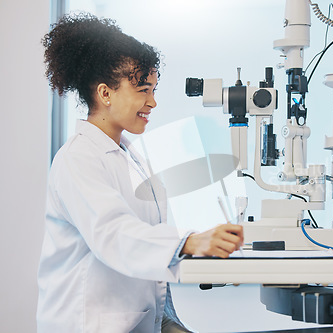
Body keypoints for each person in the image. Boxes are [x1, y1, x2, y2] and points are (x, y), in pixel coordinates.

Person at [37, 13, 243, 332]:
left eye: (154, 90)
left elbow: (148, 259)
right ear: (106, 94)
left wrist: (169, 322)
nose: (153, 102)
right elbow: (114, 234)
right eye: (143, 90)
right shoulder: (77, 158)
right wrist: (188, 242)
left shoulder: (131, 157)